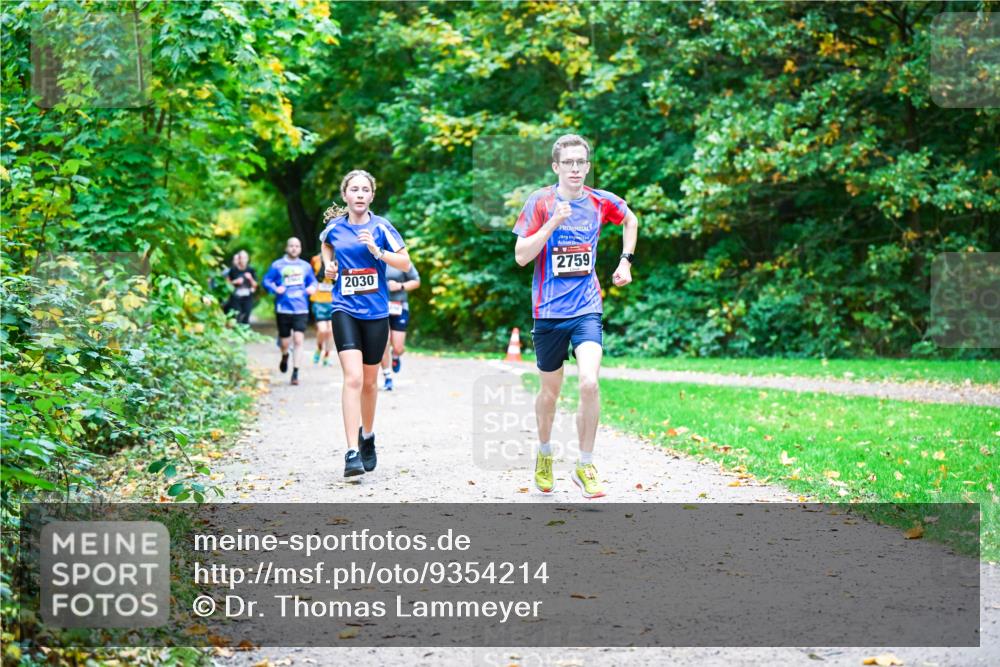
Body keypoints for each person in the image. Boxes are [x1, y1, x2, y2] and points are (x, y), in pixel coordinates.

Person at [512, 134, 638, 499]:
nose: (575, 168)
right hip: (548, 312)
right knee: (549, 393)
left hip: (586, 308)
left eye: (581, 162)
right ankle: (545, 453)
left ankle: (585, 464)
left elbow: (630, 220)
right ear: (556, 167)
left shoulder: (600, 201)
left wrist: (625, 262)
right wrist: (551, 223)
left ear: (587, 166)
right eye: (568, 162)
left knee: (588, 383)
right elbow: (521, 256)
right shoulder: (540, 202)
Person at [319, 169, 411, 477]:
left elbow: (405, 263)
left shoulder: (381, 226)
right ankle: (351, 452)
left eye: (365, 190)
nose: (359, 194)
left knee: (370, 383)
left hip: (375, 313)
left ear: (371, 196)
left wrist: (378, 251)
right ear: (345, 195)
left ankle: (367, 436)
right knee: (353, 378)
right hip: (344, 308)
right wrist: (329, 268)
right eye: (354, 189)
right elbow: (326, 248)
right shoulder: (334, 228)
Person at [262, 238, 317, 386]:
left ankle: (295, 372)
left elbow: (313, 281)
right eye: (291, 246)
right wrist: (275, 288)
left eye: (297, 246)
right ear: (287, 248)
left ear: (300, 249)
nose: (294, 248)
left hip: (301, 308)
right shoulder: (277, 265)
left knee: (298, 340)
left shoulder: (305, 266)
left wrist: (312, 288)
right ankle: (285, 355)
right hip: (283, 308)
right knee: (285, 342)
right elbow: (266, 281)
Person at [380, 261, 420, 391]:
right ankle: (387, 377)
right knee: (383, 342)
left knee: (398, 347)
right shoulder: (374, 257)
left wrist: (400, 286)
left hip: (399, 306)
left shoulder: (401, 260)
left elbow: (416, 281)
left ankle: (395, 355)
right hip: (379, 306)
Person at [310, 252, 335, 366]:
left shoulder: (339, 259)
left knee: (331, 330)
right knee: (322, 330)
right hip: (318, 300)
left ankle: (327, 356)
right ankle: (319, 348)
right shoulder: (315, 259)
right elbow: (309, 277)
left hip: (333, 300)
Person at [225, 250, 257, 325]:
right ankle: (237, 330)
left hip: (247, 296)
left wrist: (250, 278)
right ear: (238, 259)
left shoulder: (251, 269)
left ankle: (245, 330)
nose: (243, 260)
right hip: (236, 297)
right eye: (241, 258)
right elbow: (227, 283)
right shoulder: (233, 270)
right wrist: (235, 282)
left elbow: (255, 285)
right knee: (237, 316)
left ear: (248, 259)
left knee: (246, 316)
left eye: (245, 258)